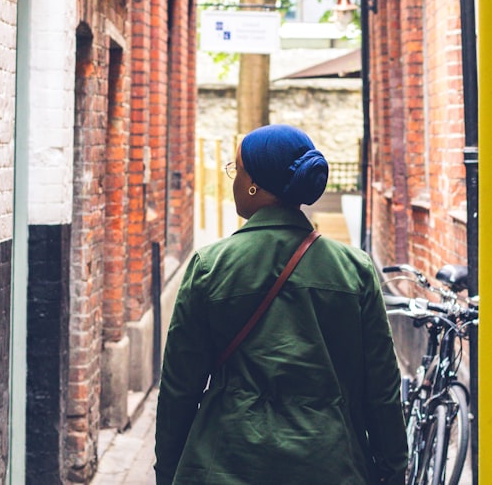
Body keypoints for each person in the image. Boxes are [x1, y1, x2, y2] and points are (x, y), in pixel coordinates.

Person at [155, 124, 407, 484]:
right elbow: (381, 391)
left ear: (255, 183)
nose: (234, 180)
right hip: (330, 463)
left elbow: (179, 388)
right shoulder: (356, 271)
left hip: (227, 462)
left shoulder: (209, 267)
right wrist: (392, 470)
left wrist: (167, 471)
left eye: (237, 170)